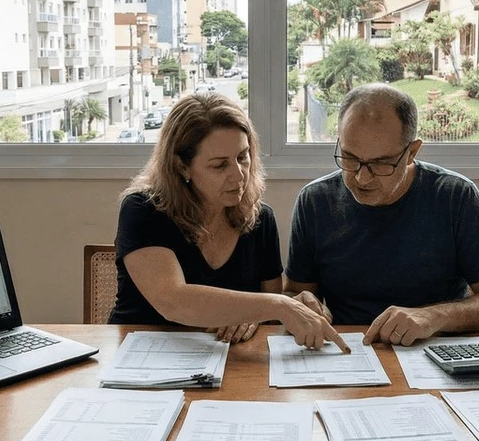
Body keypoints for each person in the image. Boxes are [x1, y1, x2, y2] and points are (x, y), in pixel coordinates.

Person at [284, 83, 479, 347]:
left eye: (381, 163)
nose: (362, 178)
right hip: (349, 351)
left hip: (435, 348)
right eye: (350, 158)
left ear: (411, 152)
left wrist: (433, 316)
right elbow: (297, 292)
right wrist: (299, 304)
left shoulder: (455, 196)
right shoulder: (315, 201)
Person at [112, 92, 347, 352]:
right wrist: (277, 305)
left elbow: (266, 309)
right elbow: (173, 300)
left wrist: (287, 306)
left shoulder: (260, 219)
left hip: (229, 361)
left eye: (243, 157)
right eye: (219, 165)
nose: (238, 175)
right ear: (181, 167)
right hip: (140, 359)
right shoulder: (143, 209)